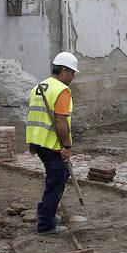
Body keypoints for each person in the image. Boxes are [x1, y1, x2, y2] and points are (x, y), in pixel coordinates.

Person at [25, 51, 78, 236]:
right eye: (72, 73)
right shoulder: (62, 90)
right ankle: (46, 225)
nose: (73, 77)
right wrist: (67, 147)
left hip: (40, 143)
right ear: (64, 71)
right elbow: (61, 120)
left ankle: (44, 211)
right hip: (52, 144)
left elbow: (33, 116)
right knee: (57, 180)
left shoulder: (39, 87)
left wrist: (32, 142)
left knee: (60, 176)